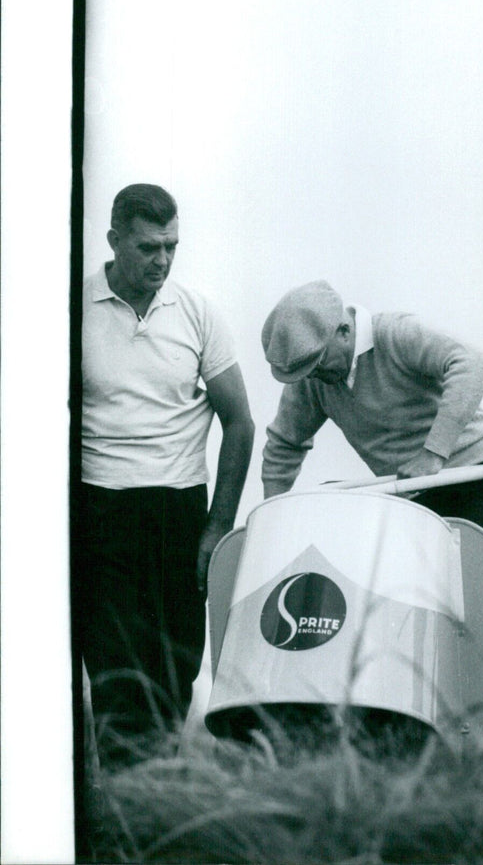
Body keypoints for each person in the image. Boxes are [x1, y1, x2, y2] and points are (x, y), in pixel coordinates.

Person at [260, 279, 483, 755]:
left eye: (319, 364)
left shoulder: (396, 334)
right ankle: (410, 730)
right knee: (384, 606)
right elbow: (283, 445)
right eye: (305, 372)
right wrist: (272, 518)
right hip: (422, 502)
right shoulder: (316, 380)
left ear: (342, 330)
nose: (317, 377)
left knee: (470, 593)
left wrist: (434, 453)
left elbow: (473, 363)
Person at [77, 184, 255, 765]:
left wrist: (216, 528)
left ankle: (156, 798)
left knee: (177, 663)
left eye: (171, 246)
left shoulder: (196, 311)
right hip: (101, 510)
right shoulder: (73, 309)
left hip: (180, 510)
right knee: (115, 669)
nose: (162, 260)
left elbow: (241, 423)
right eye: (149, 247)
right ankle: (124, 805)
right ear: (114, 241)